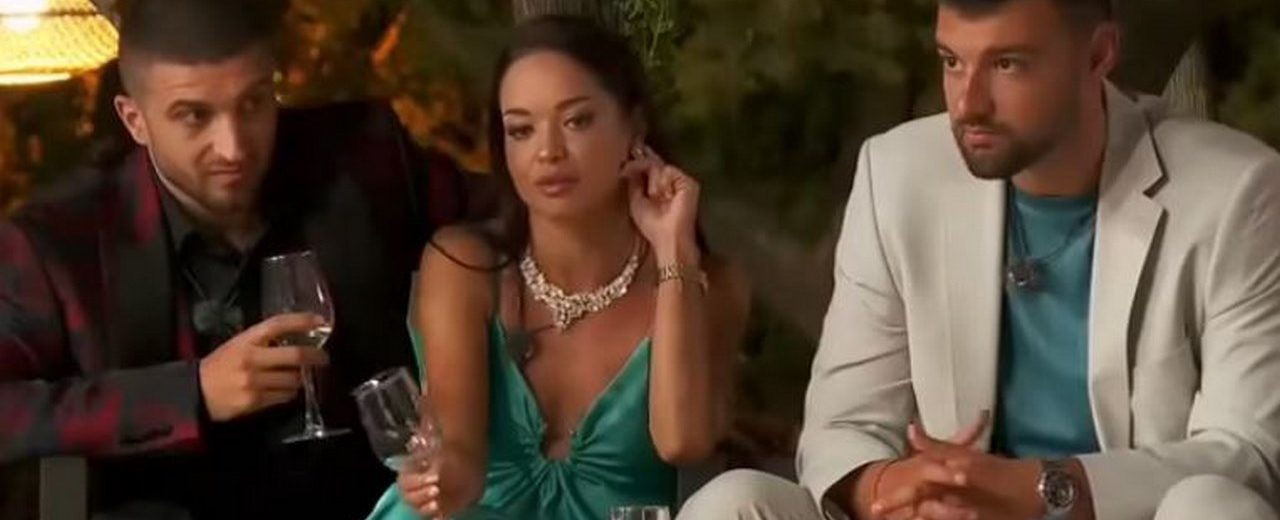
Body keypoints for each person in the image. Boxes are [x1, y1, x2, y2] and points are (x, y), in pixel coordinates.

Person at [678, 0, 1280, 519]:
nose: (967, 104)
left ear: (1098, 55)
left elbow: (1249, 454)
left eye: (1007, 64)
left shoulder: (1233, 192)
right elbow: (843, 425)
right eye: (952, 61)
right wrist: (891, 488)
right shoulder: (897, 173)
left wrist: (1041, 489)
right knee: (734, 502)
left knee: (1212, 507)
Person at [0, 0, 467, 517]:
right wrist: (193, 391)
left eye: (253, 103)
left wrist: (459, 380)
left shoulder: (363, 156)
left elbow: (506, 229)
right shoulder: (59, 242)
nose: (234, 147)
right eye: (194, 116)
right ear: (135, 120)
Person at [366, 15, 751, 520]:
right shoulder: (465, 265)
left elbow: (684, 441)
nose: (547, 152)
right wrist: (437, 476)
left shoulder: (710, 285)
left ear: (634, 127)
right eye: (521, 130)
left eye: (576, 121)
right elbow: (461, 455)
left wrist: (674, 249)